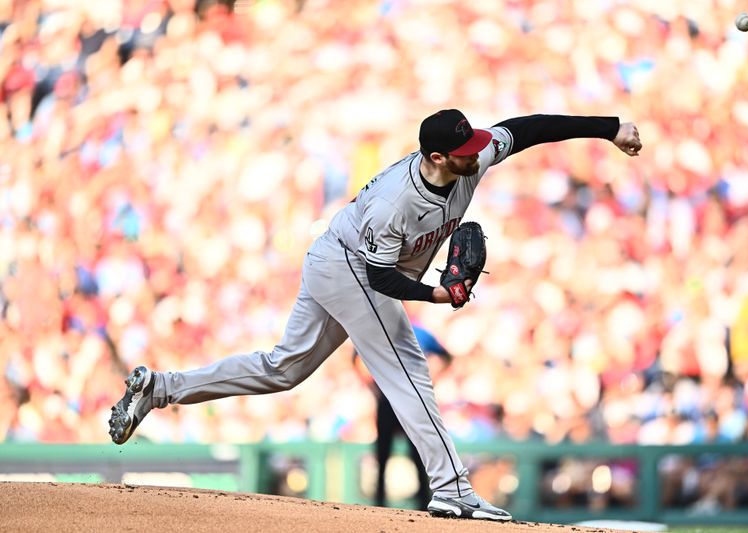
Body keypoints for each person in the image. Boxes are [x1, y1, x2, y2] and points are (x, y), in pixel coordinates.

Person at [109, 108, 642, 521]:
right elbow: (380, 277)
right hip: (349, 268)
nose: (476, 153)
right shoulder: (396, 202)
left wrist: (608, 127)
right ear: (435, 156)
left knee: (282, 369)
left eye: (474, 143)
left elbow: (529, 129)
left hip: (339, 259)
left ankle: (160, 387)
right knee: (406, 372)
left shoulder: (469, 159)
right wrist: (439, 295)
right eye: (463, 149)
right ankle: (453, 490)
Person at [353, 324, 452, 511]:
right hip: (397, 397)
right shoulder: (388, 329)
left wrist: (432, 381)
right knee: (386, 452)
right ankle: (386, 501)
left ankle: (421, 502)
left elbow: (445, 356)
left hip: (406, 396)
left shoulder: (411, 330)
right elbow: (356, 357)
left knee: (414, 453)